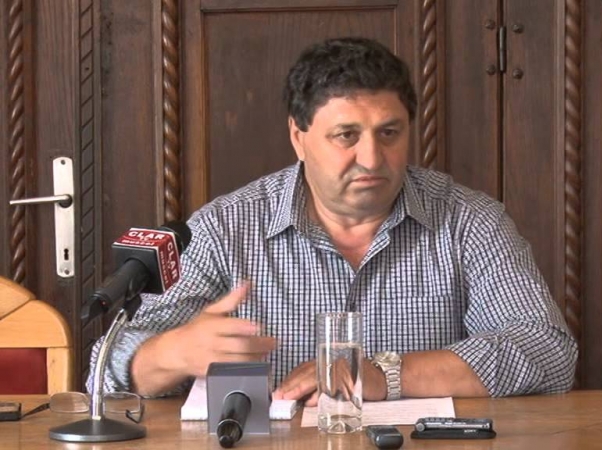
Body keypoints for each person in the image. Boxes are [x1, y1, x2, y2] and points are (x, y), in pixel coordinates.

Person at [88, 37, 577, 402]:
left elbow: (548, 353)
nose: (372, 157)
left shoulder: (470, 221)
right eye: (346, 136)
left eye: (389, 133)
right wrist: (173, 353)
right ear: (298, 138)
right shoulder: (225, 228)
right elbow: (105, 372)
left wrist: (382, 374)